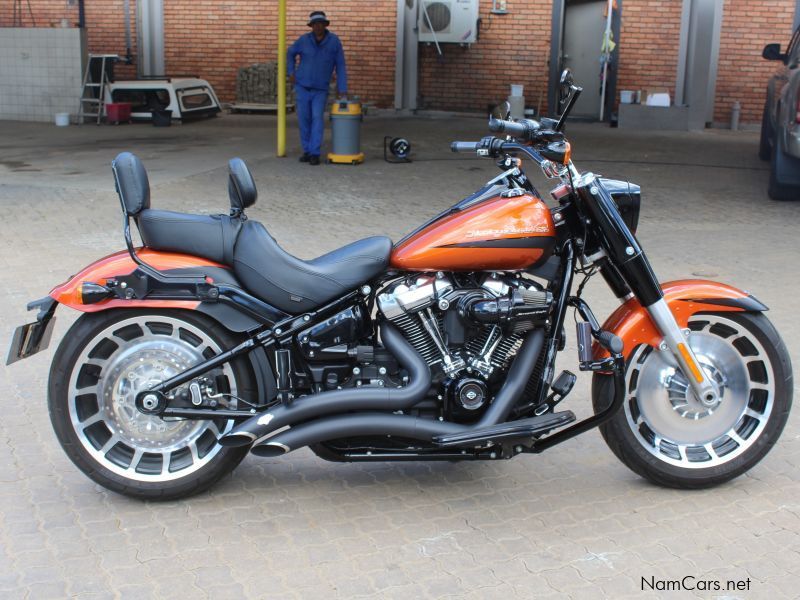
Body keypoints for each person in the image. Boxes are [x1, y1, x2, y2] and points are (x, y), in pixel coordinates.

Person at [287, 11, 348, 165]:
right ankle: (306, 150)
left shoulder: (334, 42)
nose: (318, 26)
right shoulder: (303, 40)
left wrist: (343, 89)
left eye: (321, 23)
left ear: (325, 25)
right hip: (302, 87)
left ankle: (315, 152)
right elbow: (290, 53)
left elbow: (340, 65)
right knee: (304, 120)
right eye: (315, 24)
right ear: (312, 26)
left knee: (317, 119)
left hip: (320, 89)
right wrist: (291, 72)